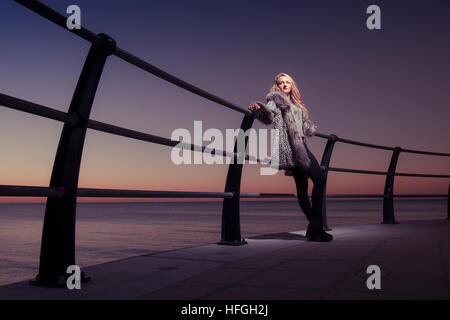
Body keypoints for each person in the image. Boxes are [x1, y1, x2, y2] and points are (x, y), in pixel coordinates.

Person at [248, 73, 333, 242]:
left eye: (287, 82)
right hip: (291, 149)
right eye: (281, 83)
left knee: (319, 180)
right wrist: (258, 107)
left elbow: (300, 123)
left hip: (302, 146)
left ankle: (315, 227)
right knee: (304, 188)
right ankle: (317, 227)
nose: (285, 85)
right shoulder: (275, 100)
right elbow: (268, 115)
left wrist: (309, 127)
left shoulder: (296, 103)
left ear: (292, 85)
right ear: (277, 86)